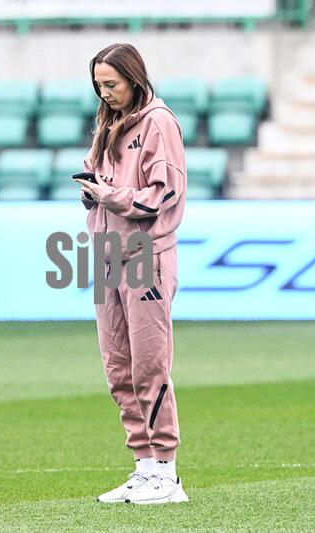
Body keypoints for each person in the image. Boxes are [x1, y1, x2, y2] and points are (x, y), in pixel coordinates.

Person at [73, 43, 188, 505]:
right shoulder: (108, 121)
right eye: (98, 85)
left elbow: (164, 194)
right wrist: (91, 191)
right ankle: (144, 468)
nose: (104, 93)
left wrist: (111, 196)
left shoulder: (159, 122)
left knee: (149, 366)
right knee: (118, 367)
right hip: (106, 254)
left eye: (111, 84)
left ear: (134, 78)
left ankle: (167, 473)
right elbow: (98, 177)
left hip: (144, 252)